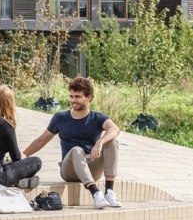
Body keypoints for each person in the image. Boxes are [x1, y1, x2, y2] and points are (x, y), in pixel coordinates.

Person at [23, 76, 121, 209]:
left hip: (91, 167)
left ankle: (109, 192)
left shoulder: (97, 118)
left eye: (78, 96)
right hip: (69, 169)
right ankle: (95, 193)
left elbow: (115, 129)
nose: (73, 100)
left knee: (112, 142)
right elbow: (41, 140)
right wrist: (22, 156)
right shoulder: (61, 118)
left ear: (89, 97)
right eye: (71, 96)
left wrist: (100, 142)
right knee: (76, 150)